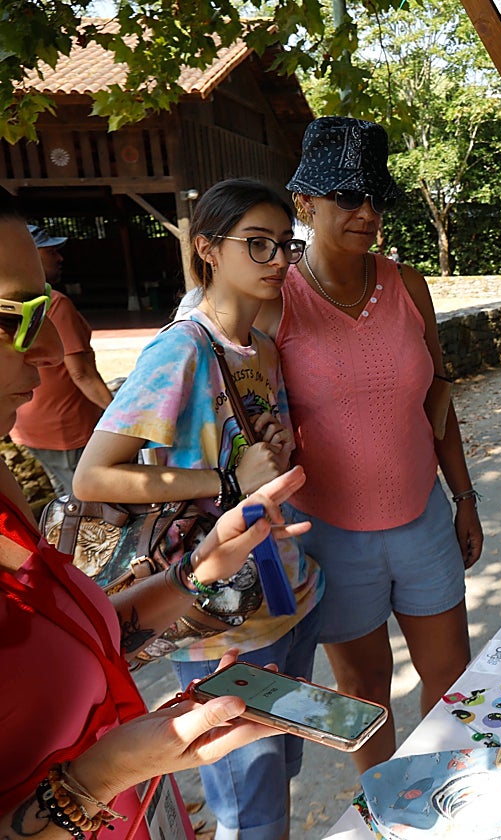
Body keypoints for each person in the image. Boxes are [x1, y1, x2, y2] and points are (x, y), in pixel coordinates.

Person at [0, 189, 307, 840]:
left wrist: (202, 564)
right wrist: (99, 779)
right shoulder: (180, 350)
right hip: (218, 622)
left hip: (253, 582)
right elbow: (94, 474)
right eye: (14, 319)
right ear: (207, 250)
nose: (49, 355)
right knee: (252, 809)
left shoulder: (264, 347)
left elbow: (89, 641)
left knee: (271, 781)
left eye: (286, 244)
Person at [255, 116, 483, 772]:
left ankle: (449, 796)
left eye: (375, 198)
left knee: (450, 682)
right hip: (330, 533)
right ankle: (386, 807)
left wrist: (464, 496)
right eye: (348, 197)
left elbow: (438, 398)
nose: (366, 212)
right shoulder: (278, 304)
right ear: (306, 203)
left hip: (424, 520)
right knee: (363, 692)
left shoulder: (409, 286)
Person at [9, 226, 111, 497]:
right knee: (85, 503)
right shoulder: (55, 303)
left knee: (63, 498)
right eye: (51, 251)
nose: (59, 258)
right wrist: (120, 417)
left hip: (27, 426)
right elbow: (81, 374)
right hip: (66, 428)